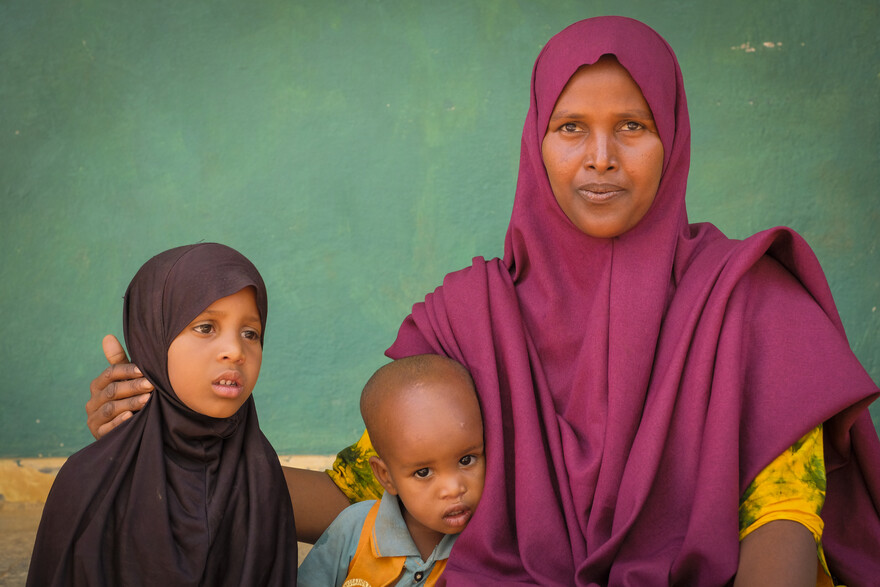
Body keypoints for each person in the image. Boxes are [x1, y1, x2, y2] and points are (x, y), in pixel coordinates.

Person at [86, 17, 880, 586]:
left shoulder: (746, 300)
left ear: (672, 138)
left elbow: (783, 516)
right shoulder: (475, 318)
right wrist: (166, 429)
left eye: (632, 126)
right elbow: (369, 491)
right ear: (537, 142)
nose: (601, 157)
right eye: (571, 127)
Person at [30, 243, 297, 586]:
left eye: (251, 333)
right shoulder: (87, 485)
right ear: (153, 338)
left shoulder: (262, 475)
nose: (235, 351)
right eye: (205, 327)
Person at [298, 354, 485, 586]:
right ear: (386, 477)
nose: (454, 488)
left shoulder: (488, 547)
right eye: (423, 472)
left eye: (466, 460)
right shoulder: (355, 529)